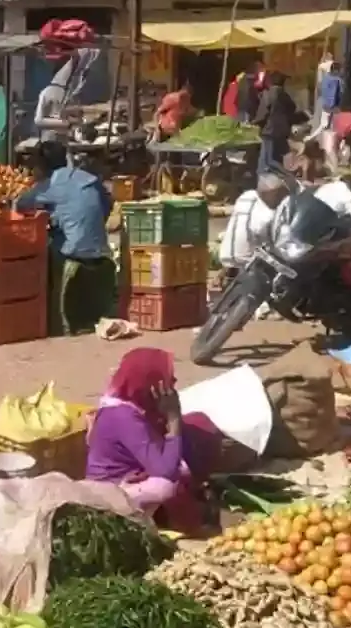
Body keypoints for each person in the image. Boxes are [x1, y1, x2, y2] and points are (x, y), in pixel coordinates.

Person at [85, 348, 214, 533]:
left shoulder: (132, 404)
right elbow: (165, 472)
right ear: (151, 385)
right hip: (110, 491)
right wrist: (174, 419)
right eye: (168, 378)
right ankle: (182, 525)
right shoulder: (124, 417)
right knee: (169, 484)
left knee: (194, 427)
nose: (174, 382)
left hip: (131, 472)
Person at [16, 139, 115, 334]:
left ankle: (49, 318)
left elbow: (21, 204)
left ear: (42, 166)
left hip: (74, 251)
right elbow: (107, 203)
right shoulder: (86, 177)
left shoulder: (52, 184)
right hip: (100, 247)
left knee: (39, 251)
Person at [254, 71, 298, 176]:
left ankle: (285, 175)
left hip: (269, 130)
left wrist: (255, 122)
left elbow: (263, 113)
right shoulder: (284, 95)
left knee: (267, 159)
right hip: (282, 130)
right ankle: (274, 176)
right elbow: (293, 107)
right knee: (275, 157)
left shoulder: (268, 94)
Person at [311, 61, 345, 141]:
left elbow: (321, 91)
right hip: (333, 108)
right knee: (331, 130)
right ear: (336, 70)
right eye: (341, 70)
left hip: (324, 106)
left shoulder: (325, 78)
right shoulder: (337, 80)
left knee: (323, 127)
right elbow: (338, 94)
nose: (342, 72)